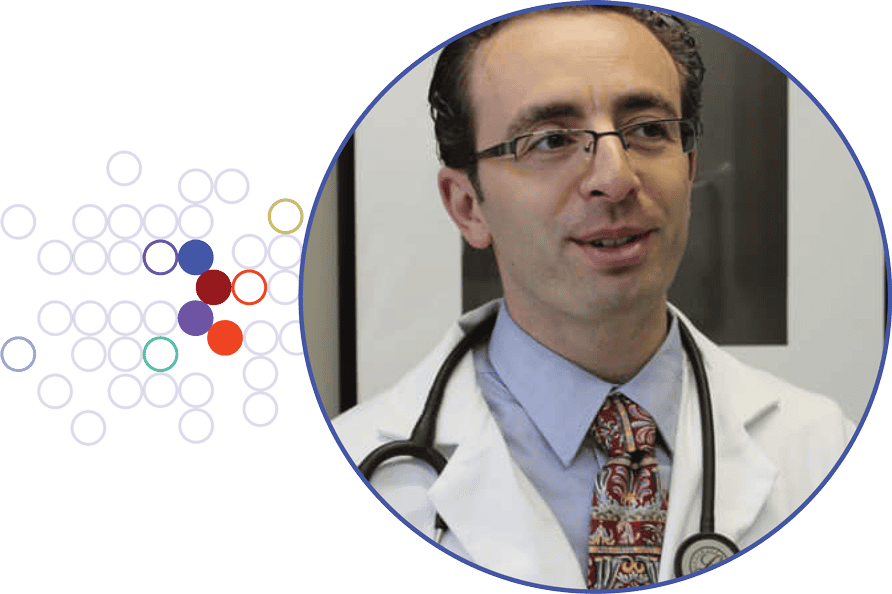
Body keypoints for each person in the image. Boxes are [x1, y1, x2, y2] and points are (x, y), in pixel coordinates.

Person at [333, 5, 854, 590]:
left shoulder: (824, 450)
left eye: (649, 130)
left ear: (689, 170)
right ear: (468, 206)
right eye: (552, 139)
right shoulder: (353, 470)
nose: (616, 177)